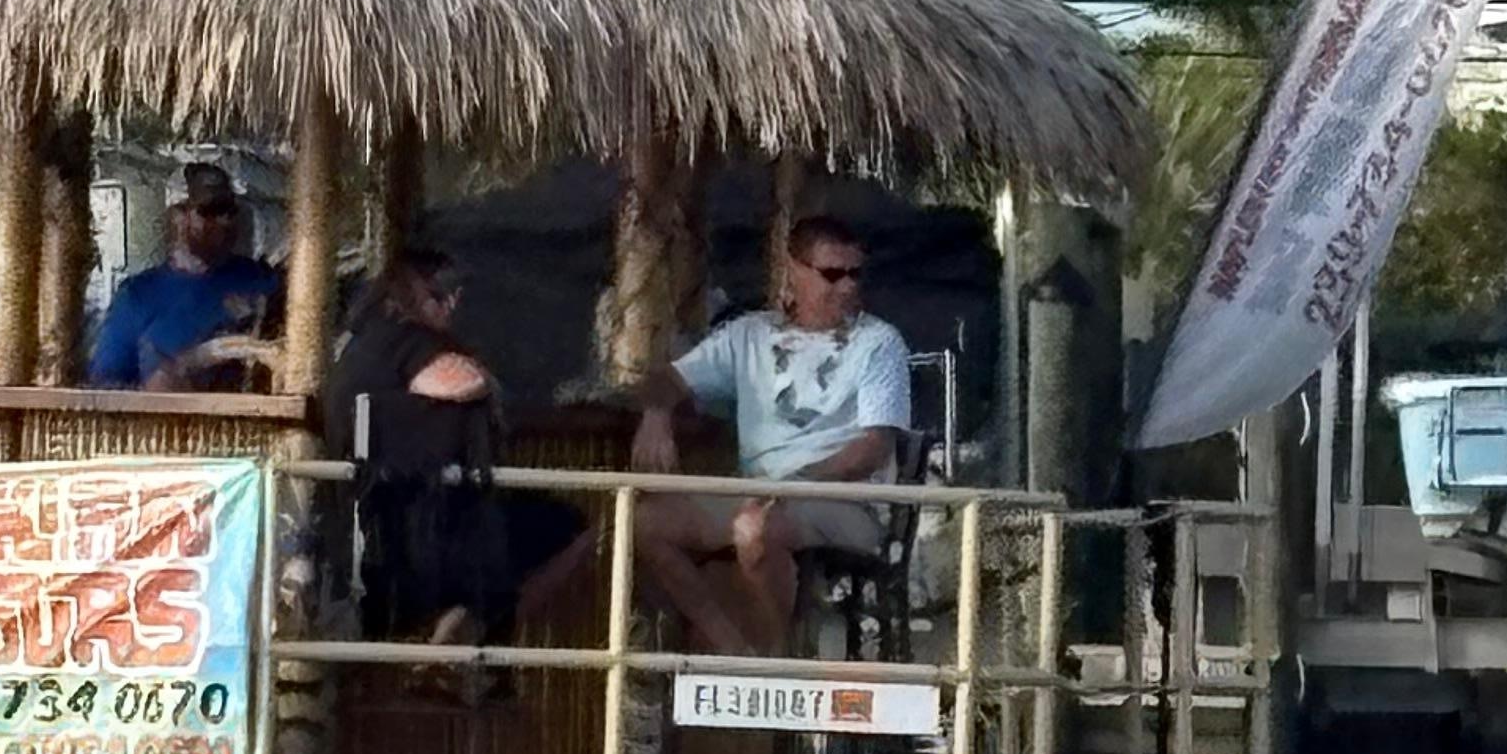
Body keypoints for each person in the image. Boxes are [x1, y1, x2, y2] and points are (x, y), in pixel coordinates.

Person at [634, 212, 914, 653]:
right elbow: (666, 379)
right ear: (794, 271)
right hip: (761, 496)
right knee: (644, 522)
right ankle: (735, 650)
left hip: (846, 502)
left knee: (755, 529)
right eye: (832, 274)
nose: (847, 287)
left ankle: (780, 660)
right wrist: (656, 414)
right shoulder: (748, 334)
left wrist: (793, 483)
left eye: (855, 274)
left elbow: (873, 448)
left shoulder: (880, 342)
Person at [326, 249, 579, 645]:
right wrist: (486, 382)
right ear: (406, 293)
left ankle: (466, 631)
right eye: (438, 292)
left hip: (385, 511)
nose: (452, 303)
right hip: (422, 515)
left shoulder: (362, 344)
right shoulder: (406, 338)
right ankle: (470, 633)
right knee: (568, 528)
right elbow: (460, 381)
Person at [85, 160, 284, 389]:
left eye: (230, 211)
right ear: (177, 216)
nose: (225, 221)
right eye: (210, 211)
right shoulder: (136, 297)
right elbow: (103, 386)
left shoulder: (261, 280)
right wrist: (151, 391)